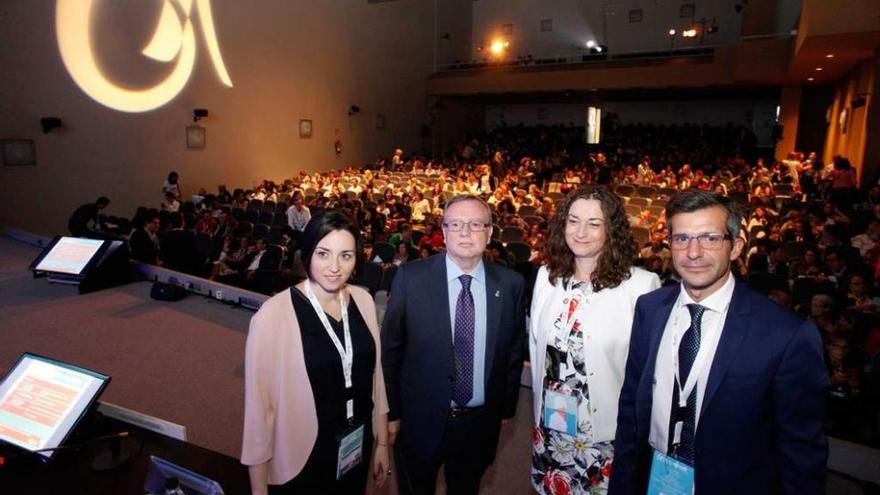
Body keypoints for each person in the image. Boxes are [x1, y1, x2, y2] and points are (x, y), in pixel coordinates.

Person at [610, 190, 828, 495]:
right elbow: (631, 406)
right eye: (682, 239)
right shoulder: (649, 308)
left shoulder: (786, 334)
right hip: (653, 480)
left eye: (710, 238)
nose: (694, 252)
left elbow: (801, 452)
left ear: (736, 247)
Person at [382, 194, 526, 495]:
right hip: (419, 421)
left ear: (489, 233)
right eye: (456, 224)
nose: (465, 232)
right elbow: (390, 353)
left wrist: (505, 411)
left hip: (479, 424)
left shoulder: (511, 284)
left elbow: (512, 353)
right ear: (443, 232)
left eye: (475, 224)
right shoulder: (410, 278)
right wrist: (391, 413)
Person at [242, 211, 391, 494]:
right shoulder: (273, 315)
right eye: (323, 254)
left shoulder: (364, 300)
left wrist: (382, 443)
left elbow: (376, 380)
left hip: (355, 446)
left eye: (345, 256)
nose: (334, 267)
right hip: (304, 455)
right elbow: (260, 413)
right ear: (308, 252)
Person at [529, 186, 660, 494]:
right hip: (551, 425)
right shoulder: (547, 277)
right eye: (573, 221)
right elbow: (536, 347)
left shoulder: (642, 286)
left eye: (594, 223)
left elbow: (649, 373)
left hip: (604, 431)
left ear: (611, 230)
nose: (581, 232)